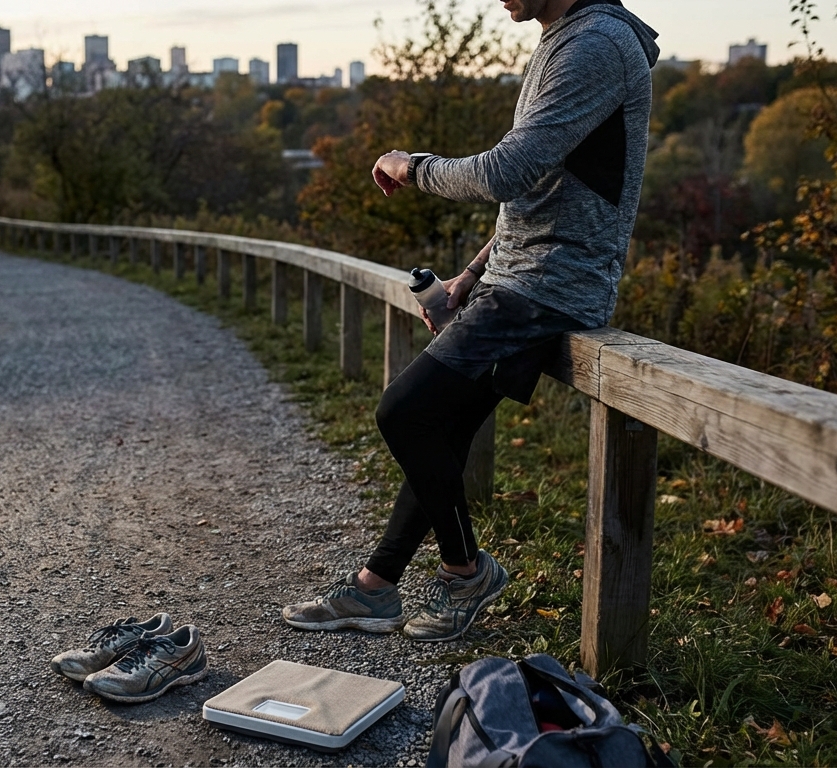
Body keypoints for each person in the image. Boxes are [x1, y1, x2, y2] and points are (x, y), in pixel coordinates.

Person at [282, 0, 660, 642]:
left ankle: (467, 574)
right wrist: (469, 277)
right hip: (520, 280)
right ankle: (377, 589)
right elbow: (540, 195)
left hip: (548, 287)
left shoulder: (594, 44)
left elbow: (506, 172)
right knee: (442, 430)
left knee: (402, 412)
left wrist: (413, 165)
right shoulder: (567, 37)